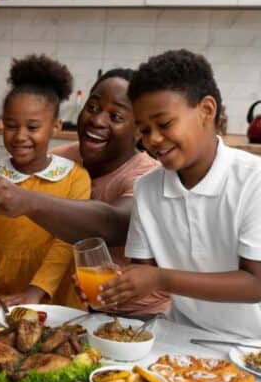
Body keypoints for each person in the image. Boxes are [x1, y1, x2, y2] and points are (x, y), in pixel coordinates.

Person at [0, 69, 169, 316]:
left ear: (139, 129)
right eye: (93, 107)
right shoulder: (61, 158)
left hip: (134, 314)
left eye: (115, 116)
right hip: (70, 305)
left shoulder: (147, 176)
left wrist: (26, 200)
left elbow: (113, 224)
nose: (98, 120)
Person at [98, 49, 261, 338]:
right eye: (144, 130)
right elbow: (143, 278)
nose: (153, 140)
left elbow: (256, 284)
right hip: (181, 335)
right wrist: (114, 286)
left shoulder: (253, 180)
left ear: (206, 111)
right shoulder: (147, 189)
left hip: (253, 345)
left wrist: (162, 278)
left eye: (164, 124)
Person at [0, 55, 91, 308]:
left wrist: (37, 291)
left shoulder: (75, 177)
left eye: (33, 128)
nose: (20, 136)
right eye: (11, 125)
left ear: (55, 126)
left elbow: (65, 244)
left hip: (53, 300)